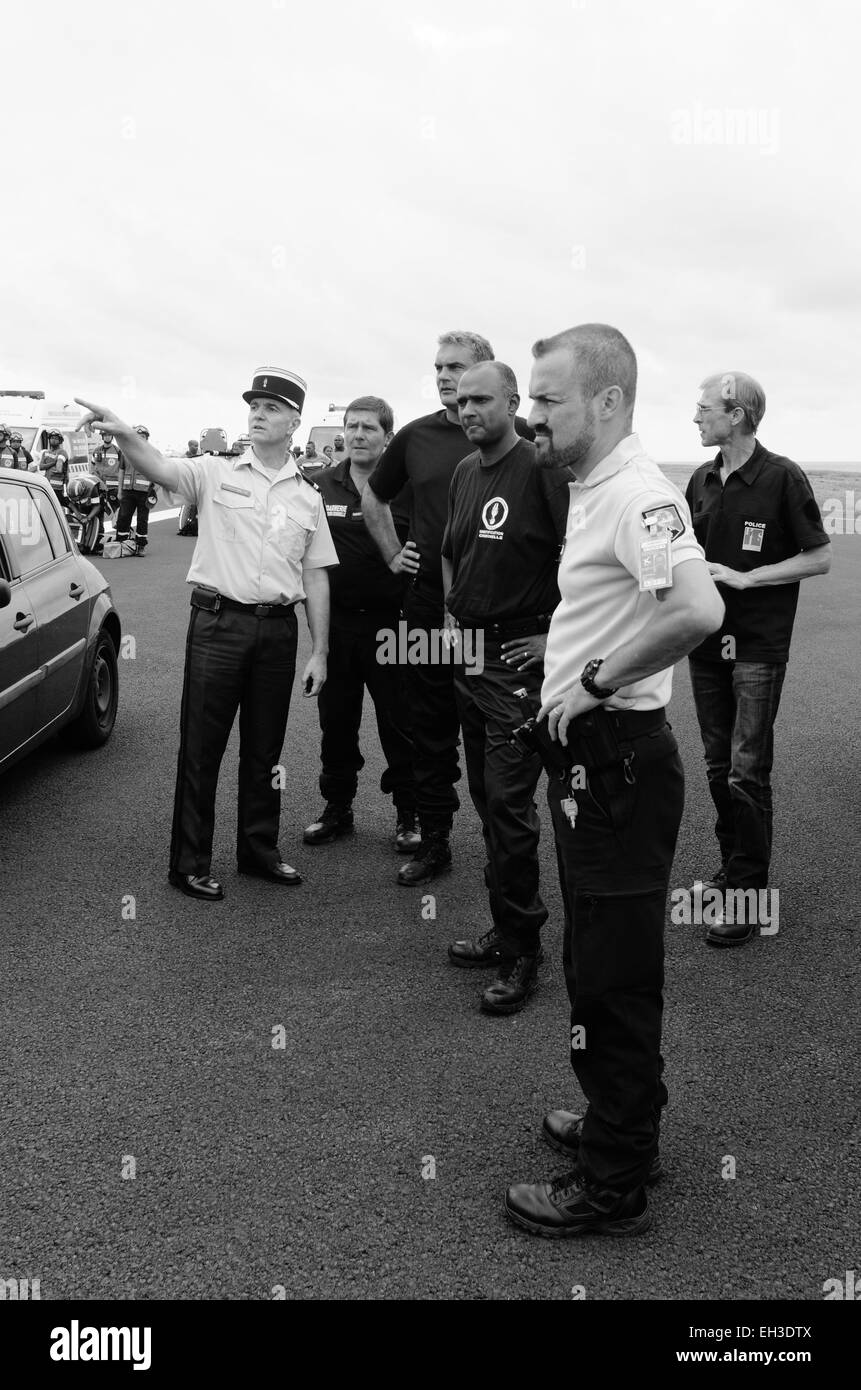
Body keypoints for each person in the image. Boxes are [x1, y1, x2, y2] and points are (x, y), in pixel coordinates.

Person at [503, 324, 724, 1239]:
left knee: (612, 973)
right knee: (598, 961)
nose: (531, 413)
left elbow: (699, 609)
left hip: (617, 763)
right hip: (593, 763)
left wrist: (593, 682)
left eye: (547, 399)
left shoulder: (635, 493)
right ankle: (618, 1127)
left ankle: (612, 1186)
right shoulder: (593, 488)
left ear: (606, 401)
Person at [76, 367, 338, 902]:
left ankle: (258, 850)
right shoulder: (215, 472)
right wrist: (124, 432)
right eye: (253, 405)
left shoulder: (307, 496)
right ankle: (189, 862)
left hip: (277, 630)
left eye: (270, 407)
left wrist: (321, 651)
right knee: (202, 748)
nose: (257, 414)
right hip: (218, 624)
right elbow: (160, 466)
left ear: (295, 421)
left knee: (265, 750)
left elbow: (315, 575)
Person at [363, 330, 533, 886]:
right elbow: (374, 494)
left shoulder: (522, 441)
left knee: (494, 745)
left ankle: (501, 854)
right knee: (428, 733)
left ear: (491, 375)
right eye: (437, 367)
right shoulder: (415, 437)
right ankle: (436, 841)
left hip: (497, 628)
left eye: (456, 367)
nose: (443, 376)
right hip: (427, 615)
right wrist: (393, 552)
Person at [441, 362, 569, 1014]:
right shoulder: (466, 472)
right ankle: (505, 927)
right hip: (465, 651)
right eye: (460, 401)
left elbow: (584, 555)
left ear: (513, 402)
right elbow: (450, 552)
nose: (467, 410)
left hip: (518, 658)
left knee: (511, 810)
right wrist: (447, 612)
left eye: (480, 400)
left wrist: (555, 638)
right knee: (487, 800)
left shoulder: (542, 469)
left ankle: (524, 951)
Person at [686, 372, 831, 945]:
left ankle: (748, 896)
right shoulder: (700, 478)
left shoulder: (781, 476)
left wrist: (748, 579)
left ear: (737, 414)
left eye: (704, 409)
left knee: (748, 769)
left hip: (757, 647)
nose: (695, 418)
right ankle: (731, 871)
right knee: (718, 766)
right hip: (706, 643)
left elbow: (817, 557)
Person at [302, 395, 419, 854]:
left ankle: (409, 813)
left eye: (369, 428)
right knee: (336, 722)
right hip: (338, 626)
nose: (357, 435)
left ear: (388, 437)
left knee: (401, 723)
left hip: (398, 627)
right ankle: (338, 808)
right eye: (351, 427)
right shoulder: (318, 486)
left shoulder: (408, 486)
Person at [115, 425, 157, 554]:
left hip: (144, 492)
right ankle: (122, 544)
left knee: (142, 519)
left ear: (146, 438)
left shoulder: (151, 453)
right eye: (138, 436)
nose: (140, 438)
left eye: (143, 436)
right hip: (128, 491)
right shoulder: (125, 451)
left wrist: (154, 490)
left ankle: (141, 546)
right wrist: (119, 491)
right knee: (123, 517)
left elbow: (157, 472)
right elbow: (121, 471)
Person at [38, 430, 71, 499]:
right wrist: (53, 463)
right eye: (52, 438)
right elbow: (41, 467)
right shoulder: (45, 453)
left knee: (60, 504)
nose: (53, 440)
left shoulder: (62, 452)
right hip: (47, 485)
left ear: (60, 441)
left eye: (56, 439)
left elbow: (59, 468)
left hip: (58, 486)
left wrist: (56, 463)